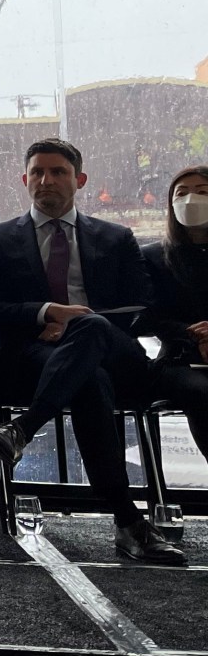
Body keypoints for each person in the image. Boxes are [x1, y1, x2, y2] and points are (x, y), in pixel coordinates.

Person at [0, 139, 186, 565]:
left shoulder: (116, 237)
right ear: (25, 179)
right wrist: (46, 313)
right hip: (33, 356)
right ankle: (128, 523)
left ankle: (23, 429)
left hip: (115, 353)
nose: (46, 180)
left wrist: (77, 323)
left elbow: (142, 307)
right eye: (37, 172)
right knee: (88, 381)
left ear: (79, 180)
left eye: (58, 172)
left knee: (92, 329)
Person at [138, 165, 208, 460]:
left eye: (202, 192)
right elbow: (146, 317)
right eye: (182, 193)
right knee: (200, 392)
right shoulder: (152, 257)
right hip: (179, 360)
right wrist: (195, 335)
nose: (191, 199)